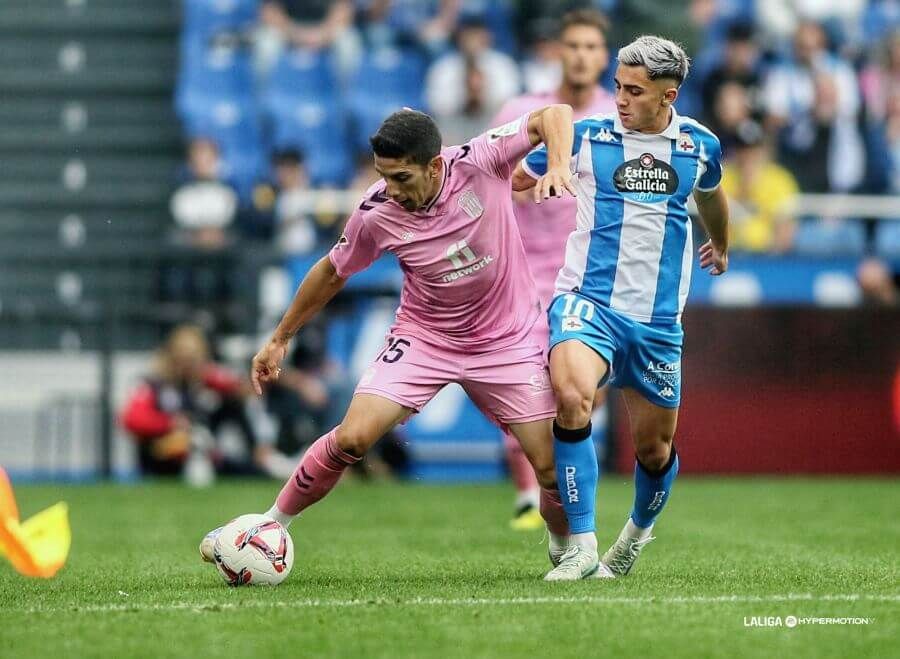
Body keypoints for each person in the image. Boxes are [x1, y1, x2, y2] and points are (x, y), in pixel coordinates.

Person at [199, 104, 598, 579]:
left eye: (402, 177)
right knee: (352, 437)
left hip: (506, 341)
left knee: (550, 468)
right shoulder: (376, 212)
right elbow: (332, 272)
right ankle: (268, 525)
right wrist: (279, 338)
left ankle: (565, 546)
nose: (391, 189)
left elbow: (554, 115)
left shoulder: (481, 160)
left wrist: (557, 165)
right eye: (383, 176)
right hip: (425, 339)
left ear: (435, 166)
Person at [513, 35, 730, 579]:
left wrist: (721, 243)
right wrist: (536, 175)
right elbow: (514, 174)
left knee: (655, 450)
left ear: (668, 95)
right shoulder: (589, 136)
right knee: (571, 398)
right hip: (587, 303)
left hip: (657, 322)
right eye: (618, 87)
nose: (621, 99)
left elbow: (711, 194)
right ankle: (581, 544)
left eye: (634, 90)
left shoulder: (699, 144)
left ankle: (634, 537)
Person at [491, 8, 615, 531]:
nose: (581, 55)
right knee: (526, 381)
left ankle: (560, 485)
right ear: (558, 53)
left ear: (604, 57)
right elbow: (487, 173)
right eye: (573, 46)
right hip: (523, 271)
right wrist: (515, 183)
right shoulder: (522, 111)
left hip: (591, 274)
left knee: (583, 392)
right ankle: (530, 495)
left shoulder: (617, 116)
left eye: (591, 46)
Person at [120, 324, 294, 483]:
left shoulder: (202, 378)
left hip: (201, 445)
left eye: (192, 359)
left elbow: (242, 388)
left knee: (234, 406)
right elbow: (132, 419)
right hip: (163, 454)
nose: (187, 366)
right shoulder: (152, 383)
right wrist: (169, 423)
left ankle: (264, 457)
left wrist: (237, 387)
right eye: (182, 359)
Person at [721, 120, 798, 253]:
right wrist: (743, 189)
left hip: (769, 254)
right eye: (742, 150)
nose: (748, 156)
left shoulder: (780, 180)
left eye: (753, 150)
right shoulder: (721, 178)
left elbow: (786, 228)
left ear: (763, 151)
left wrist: (773, 255)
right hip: (730, 253)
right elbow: (709, 226)